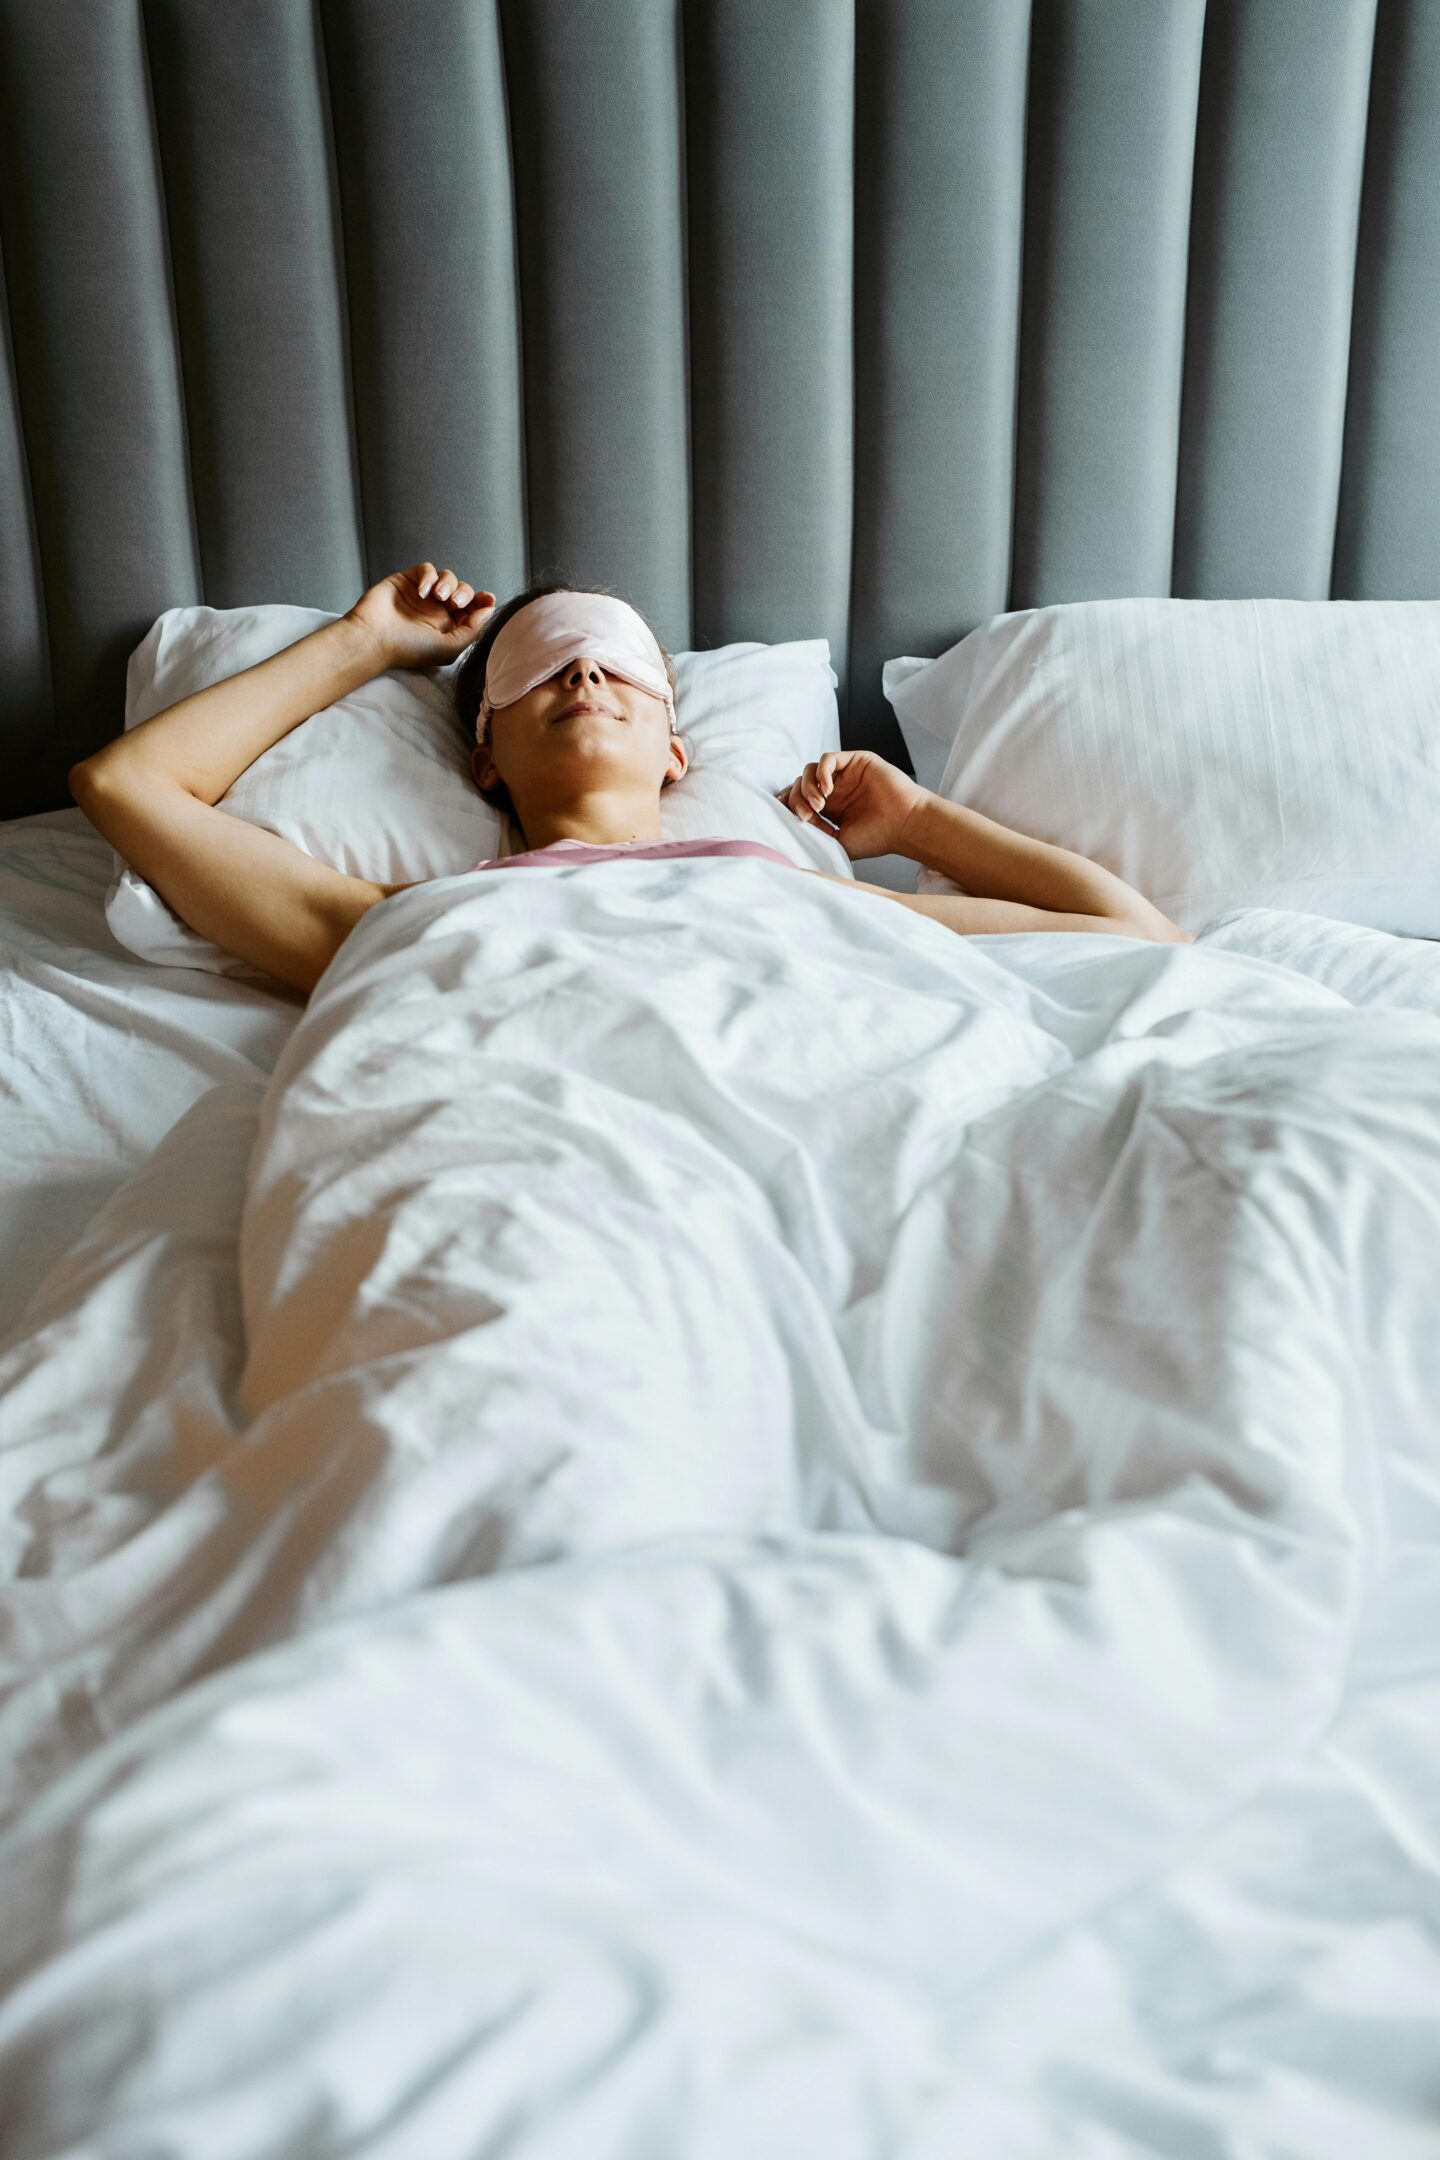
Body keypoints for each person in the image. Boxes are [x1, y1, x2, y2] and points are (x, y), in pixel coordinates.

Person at [68, 563, 1190, 999]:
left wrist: (921, 821)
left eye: (616, 661)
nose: (588, 668)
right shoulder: (412, 922)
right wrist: (365, 643)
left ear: (676, 752)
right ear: (484, 760)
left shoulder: (800, 895)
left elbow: (1142, 940)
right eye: (543, 664)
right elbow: (128, 786)